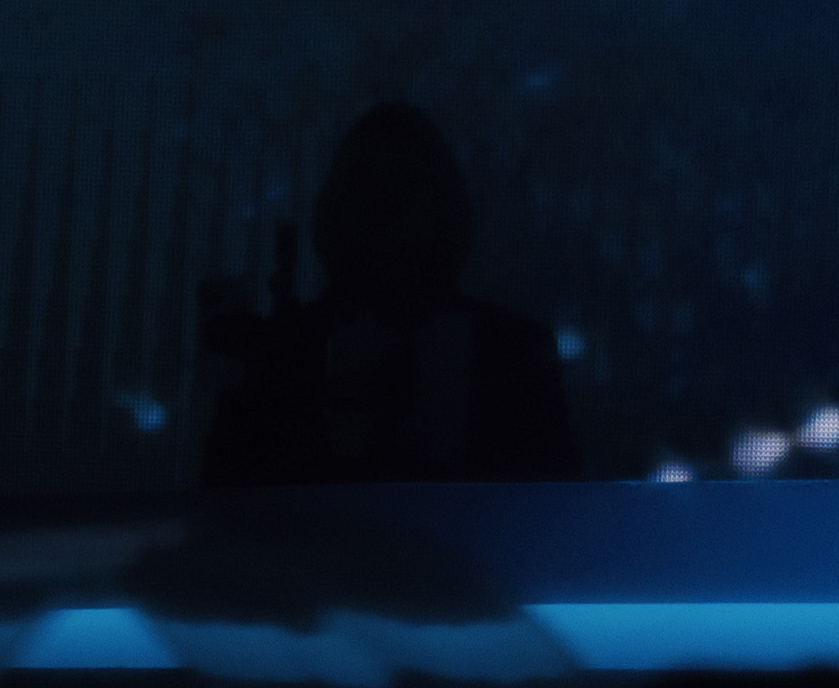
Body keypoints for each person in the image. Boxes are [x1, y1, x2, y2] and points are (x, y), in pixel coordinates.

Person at [192, 102, 591, 487]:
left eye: (406, 183)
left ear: (441, 204)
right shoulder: (277, 354)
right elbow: (230, 497)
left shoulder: (514, 354)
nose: (385, 203)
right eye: (367, 182)